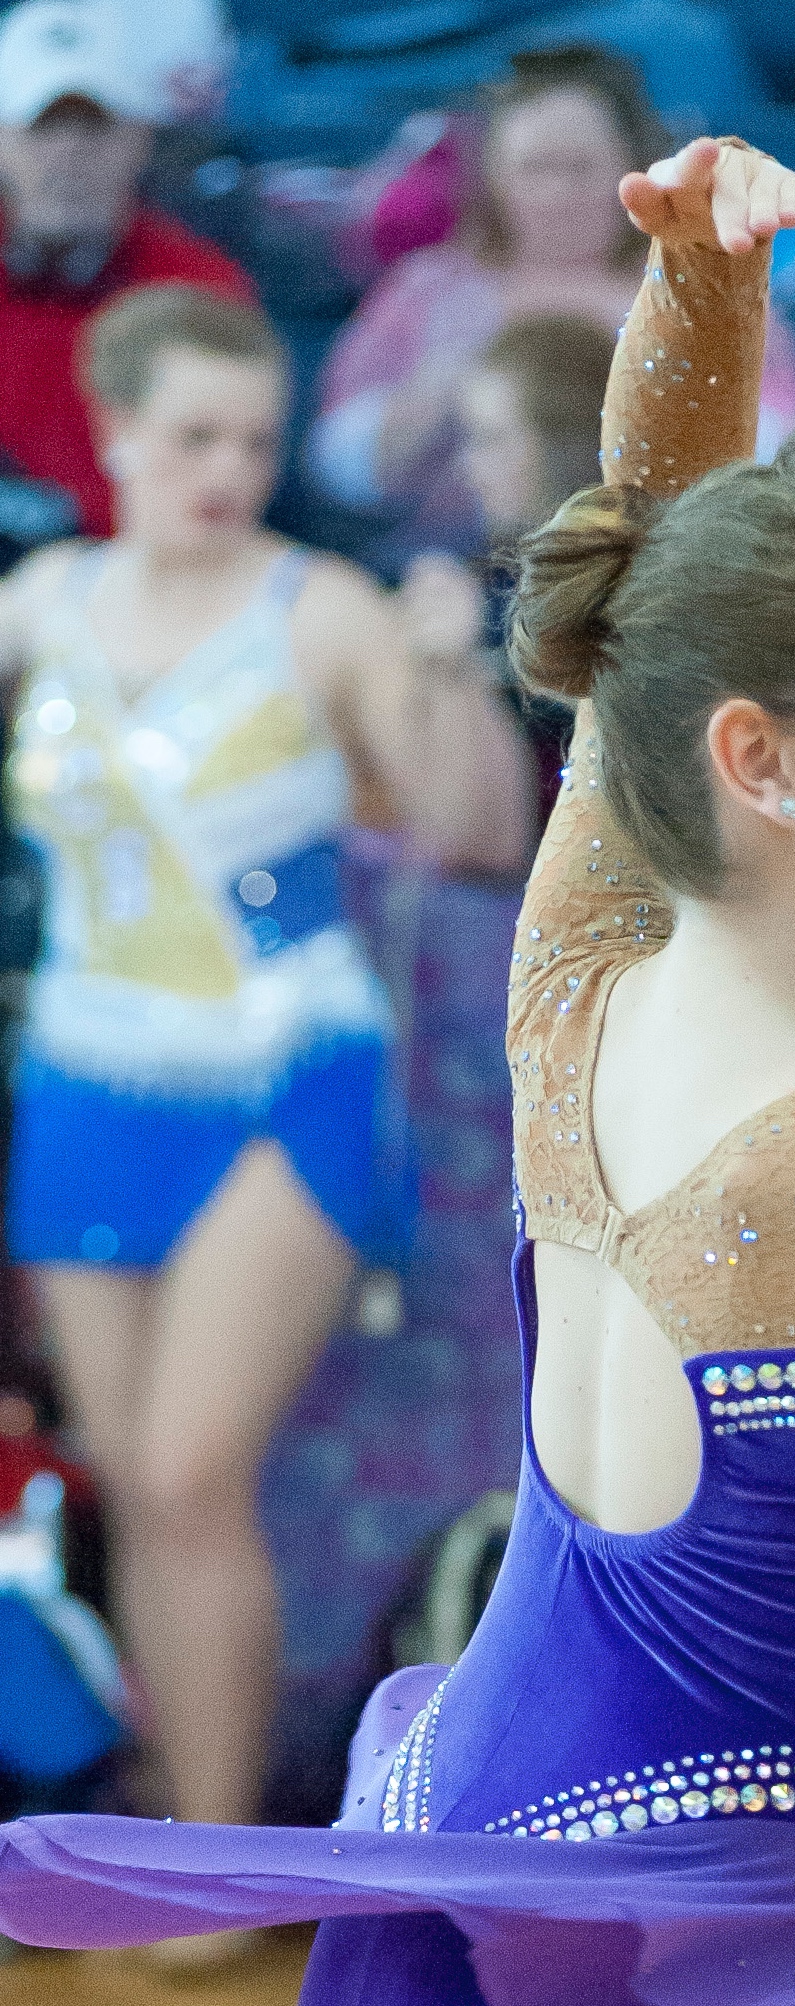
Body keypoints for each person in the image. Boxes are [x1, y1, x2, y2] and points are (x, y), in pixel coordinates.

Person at [0, 136, 795, 2005]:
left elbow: (643, 588)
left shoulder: (566, 996)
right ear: (758, 758)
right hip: (671, 1948)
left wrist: (700, 286)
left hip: (455, 1859)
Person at [0, 281, 533, 1964]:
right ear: (116, 435)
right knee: (139, 1490)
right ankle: (184, 1820)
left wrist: (446, 672)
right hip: (87, 1073)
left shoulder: (328, 611)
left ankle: (219, 1864)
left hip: (284, 1071)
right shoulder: (42, 602)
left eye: (253, 437)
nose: (228, 468)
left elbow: (469, 831)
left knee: (185, 1464)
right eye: (194, 437)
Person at [307, 45, 795, 569]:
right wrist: (433, 395)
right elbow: (341, 471)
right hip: (449, 569)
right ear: (491, 178)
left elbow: (785, 459)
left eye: (582, 168)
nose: (559, 193)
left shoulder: (706, 288)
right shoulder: (429, 290)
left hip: (664, 572)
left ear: (635, 170)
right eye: (535, 168)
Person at [0, 0, 252, 541]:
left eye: (93, 126)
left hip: (132, 579)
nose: (67, 154)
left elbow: (222, 479)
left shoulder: (201, 287)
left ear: (139, 138)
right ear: (2, 142)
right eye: (42, 126)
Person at [398, 313, 612, 824]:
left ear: (565, 445)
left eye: (491, 440)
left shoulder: (630, 590)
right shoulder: (484, 581)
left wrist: (467, 660)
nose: (469, 466)